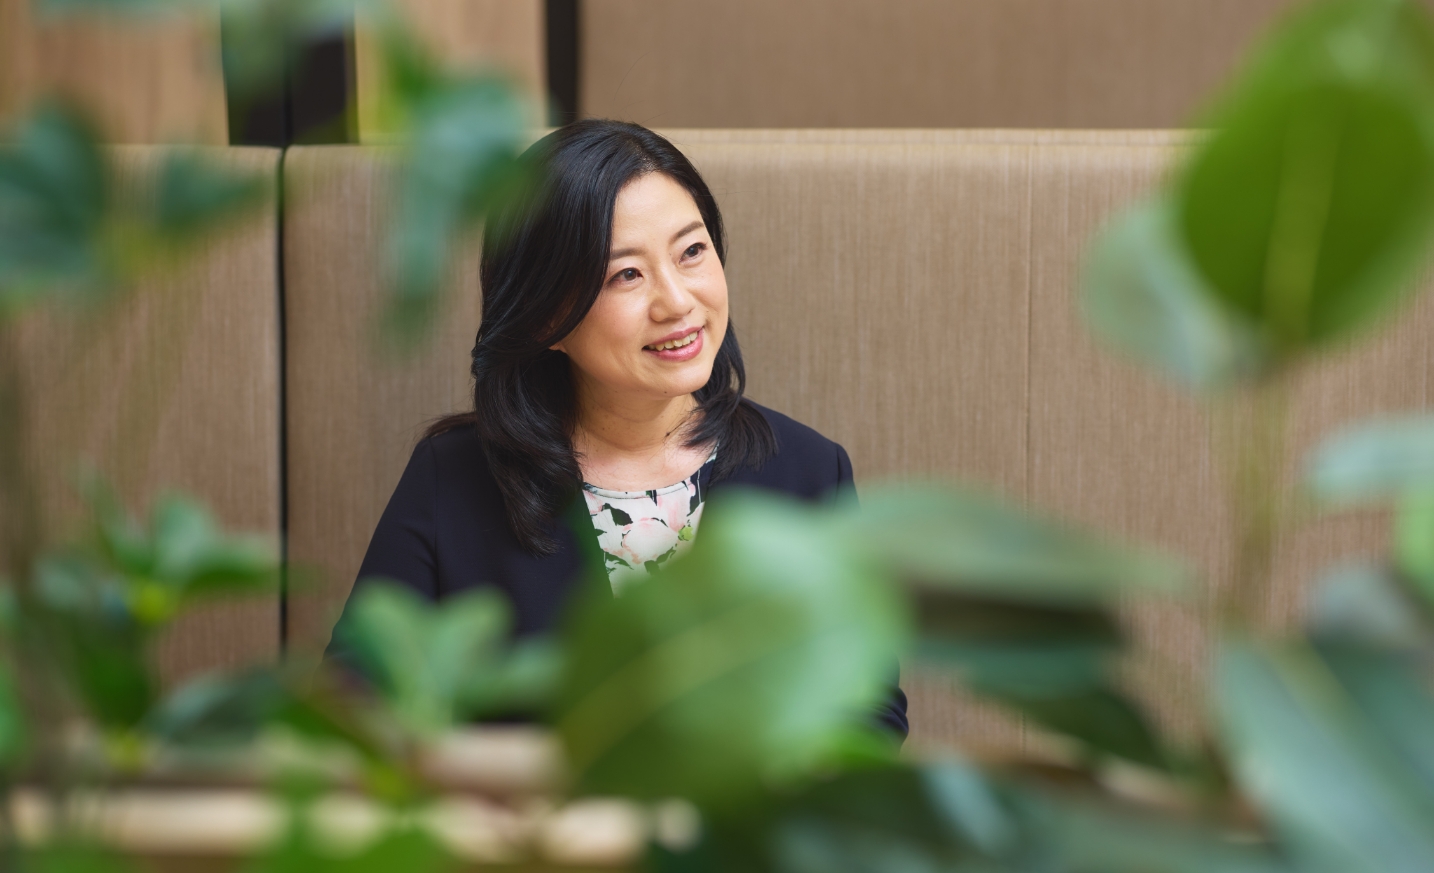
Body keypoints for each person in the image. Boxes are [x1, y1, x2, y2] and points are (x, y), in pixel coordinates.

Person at [330, 119, 908, 738]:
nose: (677, 302)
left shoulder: (808, 470)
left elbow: (869, 715)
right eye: (626, 274)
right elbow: (351, 708)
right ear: (545, 317)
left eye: (692, 252)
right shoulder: (453, 479)